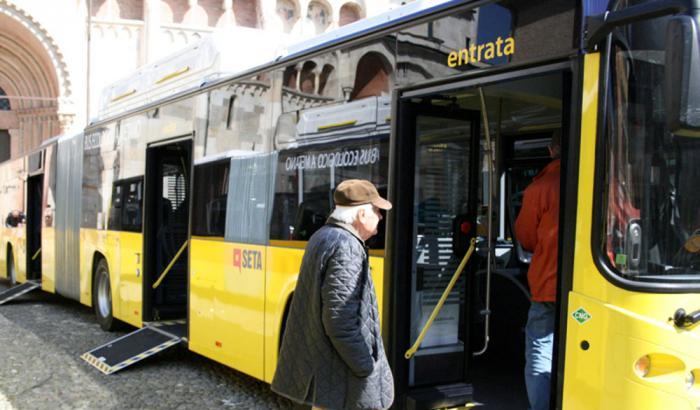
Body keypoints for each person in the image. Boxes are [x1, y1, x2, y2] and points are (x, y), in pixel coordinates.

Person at [272, 179, 394, 410]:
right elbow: (339, 321)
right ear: (361, 214)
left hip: (329, 375)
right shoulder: (346, 246)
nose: (380, 216)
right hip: (341, 378)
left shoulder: (323, 236)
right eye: (376, 210)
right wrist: (365, 366)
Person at [515, 130, 561, 410]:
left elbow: (526, 237)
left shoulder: (540, 188)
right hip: (593, 288)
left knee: (541, 351)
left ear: (551, 150)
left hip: (547, 285)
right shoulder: (608, 180)